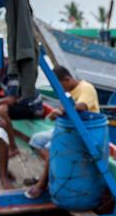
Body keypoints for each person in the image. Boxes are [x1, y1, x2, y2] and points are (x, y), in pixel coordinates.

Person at [25, 66, 99, 201]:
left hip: (84, 132)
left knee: (51, 147)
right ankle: (53, 172)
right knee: (36, 140)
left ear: (67, 79)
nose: (57, 89)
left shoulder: (86, 88)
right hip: (68, 129)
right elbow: (67, 108)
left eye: (58, 85)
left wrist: (63, 111)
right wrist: (56, 113)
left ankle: (42, 183)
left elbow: (81, 106)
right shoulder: (70, 92)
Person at [0, 74, 43, 157]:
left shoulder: (13, 75)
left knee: (1, 110)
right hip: (19, 104)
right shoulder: (0, 74)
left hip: (32, 108)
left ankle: (13, 147)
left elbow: (11, 100)